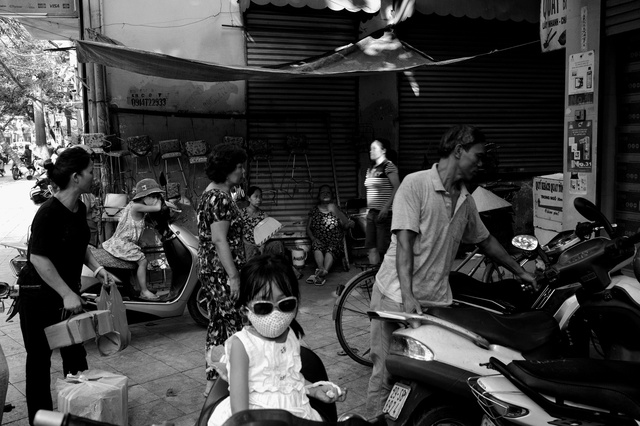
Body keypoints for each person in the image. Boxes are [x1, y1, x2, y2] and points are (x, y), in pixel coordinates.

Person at [365, 124, 536, 416]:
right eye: (477, 156)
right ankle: (373, 421)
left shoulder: (465, 200)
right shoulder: (414, 184)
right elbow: (404, 243)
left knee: (424, 374)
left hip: (434, 303)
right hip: (395, 298)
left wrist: (519, 271)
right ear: (458, 151)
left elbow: (485, 240)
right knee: (386, 372)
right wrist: (407, 296)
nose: (481, 164)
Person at [18, 146, 117, 425]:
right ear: (76, 177)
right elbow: (38, 257)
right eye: (89, 171)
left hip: (67, 295)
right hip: (38, 295)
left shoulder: (79, 207)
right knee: (39, 360)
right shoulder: (48, 213)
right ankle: (42, 420)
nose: (93, 175)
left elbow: (80, 245)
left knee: (75, 354)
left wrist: (98, 269)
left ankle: (77, 413)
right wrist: (66, 293)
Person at [208, 254, 343, 426]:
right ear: (244, 310)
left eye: (285, 304)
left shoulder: (291, 335)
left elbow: (289, 377)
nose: (276, 314)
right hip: (257, 416)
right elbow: (240, 409)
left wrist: (314, 390)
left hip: (297, 410)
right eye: (264, 307)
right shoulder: (242, 345)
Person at [197, 143, 248, 396]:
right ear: (227, 171)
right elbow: (219, 239)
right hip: (221, 274)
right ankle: (239, 382)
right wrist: (234, 277)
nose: (242, 171)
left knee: (217, 325)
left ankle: (212, 382)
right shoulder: (219, 197)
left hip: (210, 271)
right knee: (238, 327)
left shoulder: (211, 193)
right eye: (239, 167)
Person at [101, 178, 164, 300]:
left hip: (126, 241)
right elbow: (157, 208)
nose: (155, 199)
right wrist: (161, 199)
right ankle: (144, 291)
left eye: (157, 196)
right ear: (144, 196)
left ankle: (139, 287)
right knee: (143, 261)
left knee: (141, 253)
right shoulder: (136, 207)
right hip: (122, 243)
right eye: (153, 196)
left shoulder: (136, 206)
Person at [305, 185, 354, 286]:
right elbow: (308, 228)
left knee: (331, 249)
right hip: (319, 240)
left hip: (334, 241)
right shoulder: (314, 210)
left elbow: (344, 225)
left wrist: (349, 224)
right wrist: (313, 238)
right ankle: (321, 270)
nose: (325, 194)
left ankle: (323, 273)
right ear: (319, 196)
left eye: (328, 192)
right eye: (323, 192)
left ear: (332, 196)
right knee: (316, 245)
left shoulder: (335, 209)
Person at [364, 138, 401, 265]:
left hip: (384, 214)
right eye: (370, 148)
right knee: (371, 248)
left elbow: (397, 187)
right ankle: (374, 278)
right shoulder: (371, 169)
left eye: (374, 148)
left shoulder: (388, 166)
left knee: (384, 249)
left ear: (384, 150)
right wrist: (368, 211)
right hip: (372, 214)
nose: (371, 151)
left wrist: (386, 207)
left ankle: (386, 280)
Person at [240, 186, 269, 260]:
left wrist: (262, 245)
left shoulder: (264, 215)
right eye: (256, 197)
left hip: (260, 245)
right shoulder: (241, 213)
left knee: (277, 245)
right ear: (248, 198)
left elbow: (265, 235)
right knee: (251, 250)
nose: (259, 199)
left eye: (260, 197)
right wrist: (249, 245)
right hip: (245, 245)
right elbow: (239, 234)